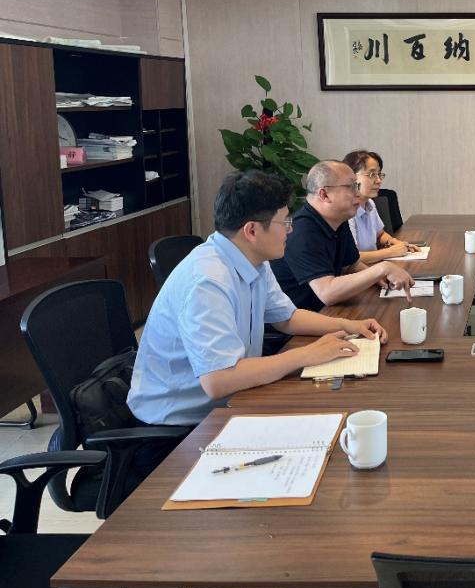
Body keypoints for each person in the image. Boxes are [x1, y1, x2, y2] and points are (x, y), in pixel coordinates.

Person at [128, 170, 388, 427]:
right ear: (252, 230)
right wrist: (307, 354)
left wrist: (349, 326)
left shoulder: (253, 260)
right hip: (181, 425)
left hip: (235, 398)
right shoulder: (208, 281)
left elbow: (287, 317)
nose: (290, 231)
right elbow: (218, 380)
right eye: (284, 223)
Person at [271, 160, 415, 309]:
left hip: (329, 310)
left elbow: (351, 265)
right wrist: (382, 269)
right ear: (324, 194)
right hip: (300, 318)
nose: (358, 193)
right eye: (351, 187)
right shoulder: (301, 230)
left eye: (357, 186)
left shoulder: (338, 219)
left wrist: (381, 279)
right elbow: (327, 293)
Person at [342, 149, 419, 263]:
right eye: (372, 174)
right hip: (360, 271)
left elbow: (380, 234)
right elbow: (351, 258)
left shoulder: (370, 203)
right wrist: (391, 252)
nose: (378, 180)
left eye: (379, 174)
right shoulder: (345, 211)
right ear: (352, 177)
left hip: (374, 267)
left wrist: (396, 243)